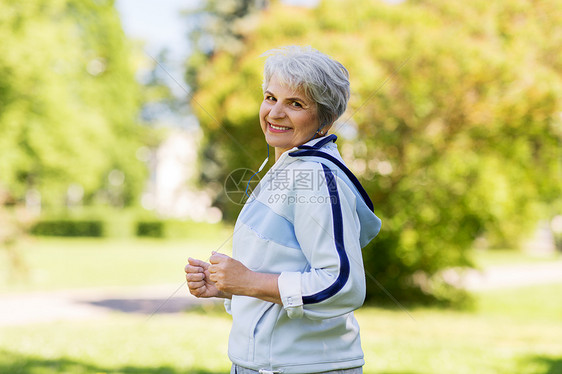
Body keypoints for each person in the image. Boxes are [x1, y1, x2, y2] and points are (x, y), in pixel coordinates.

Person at [185, 46, 381, 374]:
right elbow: (283, 268)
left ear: (324, 119)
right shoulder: (288, 169)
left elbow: (342, 284)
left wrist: (247, 281)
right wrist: (226, 285)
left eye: (296, 103)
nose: (275, 113)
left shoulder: (313, 175)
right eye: (270, 97)